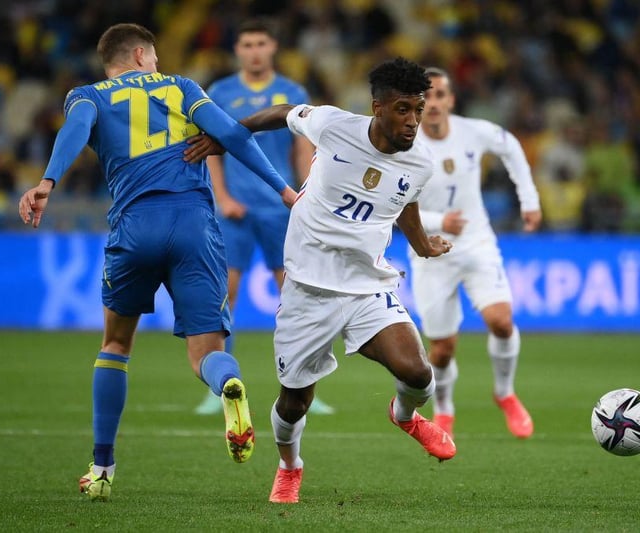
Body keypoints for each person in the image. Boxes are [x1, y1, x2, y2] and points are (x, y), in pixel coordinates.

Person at [17, 23, 296, 502]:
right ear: (144, 54)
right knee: (206, 351)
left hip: (134, 226)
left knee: (116, 345)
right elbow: (232, 135)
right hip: (193, 226)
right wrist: (285, 189)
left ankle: (102, 467)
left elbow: (76, 130)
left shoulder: (87, 95)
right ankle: (228, 380)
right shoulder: (182, 86)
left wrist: (47, 182)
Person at [192, 57, 458, 504]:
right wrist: (230, 135)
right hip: (307, 291)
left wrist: (421, 245)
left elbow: (404, 200)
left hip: (366, 286)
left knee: (417, 373)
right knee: (294, 402)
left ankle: (405, 415)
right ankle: (289, 466)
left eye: (418, 109)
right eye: (402, 110)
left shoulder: (420, 163)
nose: (413, 121)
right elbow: (281, 112)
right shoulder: (333, 125)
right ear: (378, 108)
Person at [193, 19, 334, 416]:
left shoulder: (292, 92)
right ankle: (218, 387)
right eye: (247, 44)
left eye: (261, 43)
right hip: (235, 209)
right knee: (225, 296)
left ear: (273, 48)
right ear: (238, 50)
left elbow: (302, 149)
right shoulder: (220, 92)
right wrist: (221, 196)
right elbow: (213, 148)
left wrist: (306, 192)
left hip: (280, 206)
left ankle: (305, 386)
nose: (254, 50)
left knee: (296, 296)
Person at [409, 67, 541, 440]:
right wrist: (437, 220)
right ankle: (445, 408)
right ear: (416, 103)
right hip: (429, 250)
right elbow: (396, 202)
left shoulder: (473, 131)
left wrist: (529, 199)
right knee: (443, 349)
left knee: (502, 321)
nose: (432, 103)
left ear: (450, 100)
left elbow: (511, 146)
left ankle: (505, 393)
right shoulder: (406, 143)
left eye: (439, 95)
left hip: (476, 243)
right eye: (425, 97)